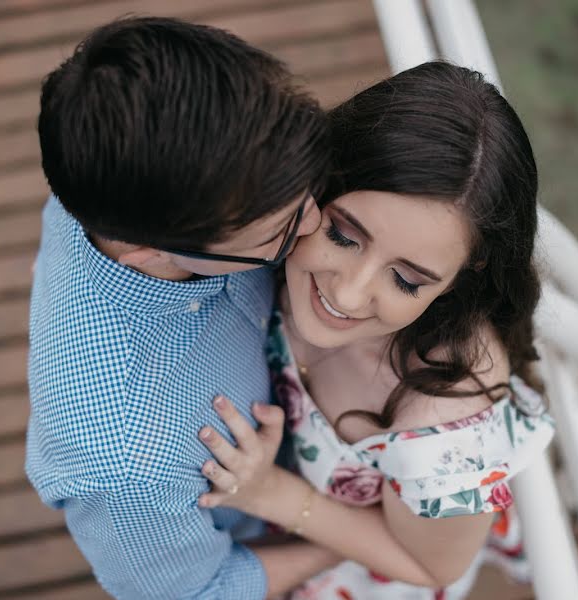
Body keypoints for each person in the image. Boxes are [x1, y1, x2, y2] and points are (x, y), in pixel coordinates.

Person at [196, 62, 555, 597]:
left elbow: (436, 567)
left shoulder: (451, 417)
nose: (346, 294)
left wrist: (271, 493)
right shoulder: (268, 222)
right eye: (343, 235)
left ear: (465, 273)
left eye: (406, 280)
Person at [26, 17, 342, 599]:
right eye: (278, 231)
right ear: (151, 254)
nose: (319, 223)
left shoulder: (123, 155)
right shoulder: (121, 458)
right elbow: (201, 592)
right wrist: (355, 536)